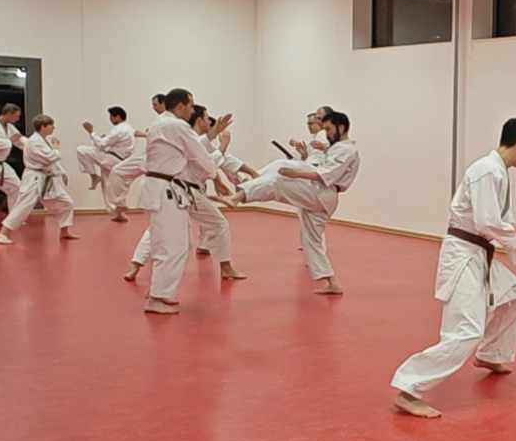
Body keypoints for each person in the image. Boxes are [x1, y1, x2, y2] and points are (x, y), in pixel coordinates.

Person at [390, 118, 516, 418]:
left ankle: (491, 355)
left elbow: (500, 222)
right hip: (463, 254)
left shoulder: (498, 173)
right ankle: (409, 388)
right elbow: (488, 222)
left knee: (515, 291)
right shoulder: (486, 170)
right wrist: (512, 231)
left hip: (478, 252)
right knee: (465, 330)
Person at [224, 109, 360, 295]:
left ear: (341, 127)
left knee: (279, 178)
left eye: (328, 128)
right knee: (312, 241)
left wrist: (298, 173)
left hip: (323, 193)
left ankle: (240, 195)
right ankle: (333, 283)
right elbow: (323, 165)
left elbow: (326, 174)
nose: (326, 133)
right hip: (320, 195)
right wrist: (308, 155)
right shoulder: (336, 147)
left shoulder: (347, 150)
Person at [129, 90, 226, 314]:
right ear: (180, 106)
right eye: (191, 106)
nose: (194, 111)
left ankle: (162, 293)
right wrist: (214, 174)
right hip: (166, 191)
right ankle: (156, 297)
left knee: (175, 244)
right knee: (171, 246)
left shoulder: (159, 125)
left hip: (165, 189)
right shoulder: (177, 126)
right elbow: (200, 155)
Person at [126, 105, 244, 284]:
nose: (208, 121)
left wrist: (214, 136)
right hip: (186, 192)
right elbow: (208, 161)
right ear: (198, 120)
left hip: (181, 191)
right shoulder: (186, 136)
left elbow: (201, 146)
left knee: (154, 230)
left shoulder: (182, 137)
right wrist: (223, 146)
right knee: (218, 224)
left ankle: (135, 265)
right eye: (206, 118)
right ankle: (225, 267)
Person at [0, 115, 78, 244]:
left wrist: (61, 172)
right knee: (24, 205)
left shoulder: (42, 140)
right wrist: (56, 149)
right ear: (43, 127)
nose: (54, 127)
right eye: (51, 125)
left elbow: (50, 162)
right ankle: (3, 234)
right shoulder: (34, 141)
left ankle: (64, 231)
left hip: (45, 177)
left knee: (66, 202)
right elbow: (49, 157)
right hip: (33, 177)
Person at [76, 107, 134, 191]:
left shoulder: (119, 129)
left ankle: (93, 176)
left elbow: (102, 144)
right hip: (120, 160)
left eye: (111, 117)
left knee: (81, 150)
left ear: (117, 117)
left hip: (112, 159)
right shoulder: (129, 128)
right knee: (108, 186)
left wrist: (91, 132)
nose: (110, 119)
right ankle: (114, 204)